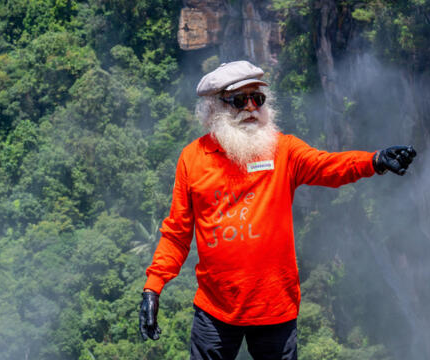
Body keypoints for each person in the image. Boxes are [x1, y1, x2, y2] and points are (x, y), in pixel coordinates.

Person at [138, 60, 416, 359]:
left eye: (257, 99)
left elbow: (328, 165)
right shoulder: (192, 158)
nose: (250, 108)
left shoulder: (283, 150)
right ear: (213, 108)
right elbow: (177, 233)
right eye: (238, 100)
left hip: (274, 307)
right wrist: (153, 288)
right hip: (215, 308)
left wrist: (374, 161)